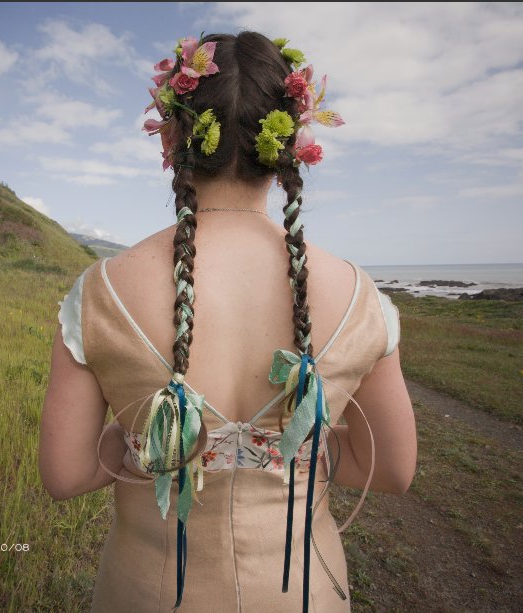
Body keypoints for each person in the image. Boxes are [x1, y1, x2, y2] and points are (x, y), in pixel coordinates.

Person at [39, 31, 417, 613]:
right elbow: (389, 469)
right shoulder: (358, 294)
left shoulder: (103, 290)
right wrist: (291, 447)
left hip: (145, 594)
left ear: (173, 136)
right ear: (290, 143)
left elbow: (66, 473)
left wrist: (155, 444)